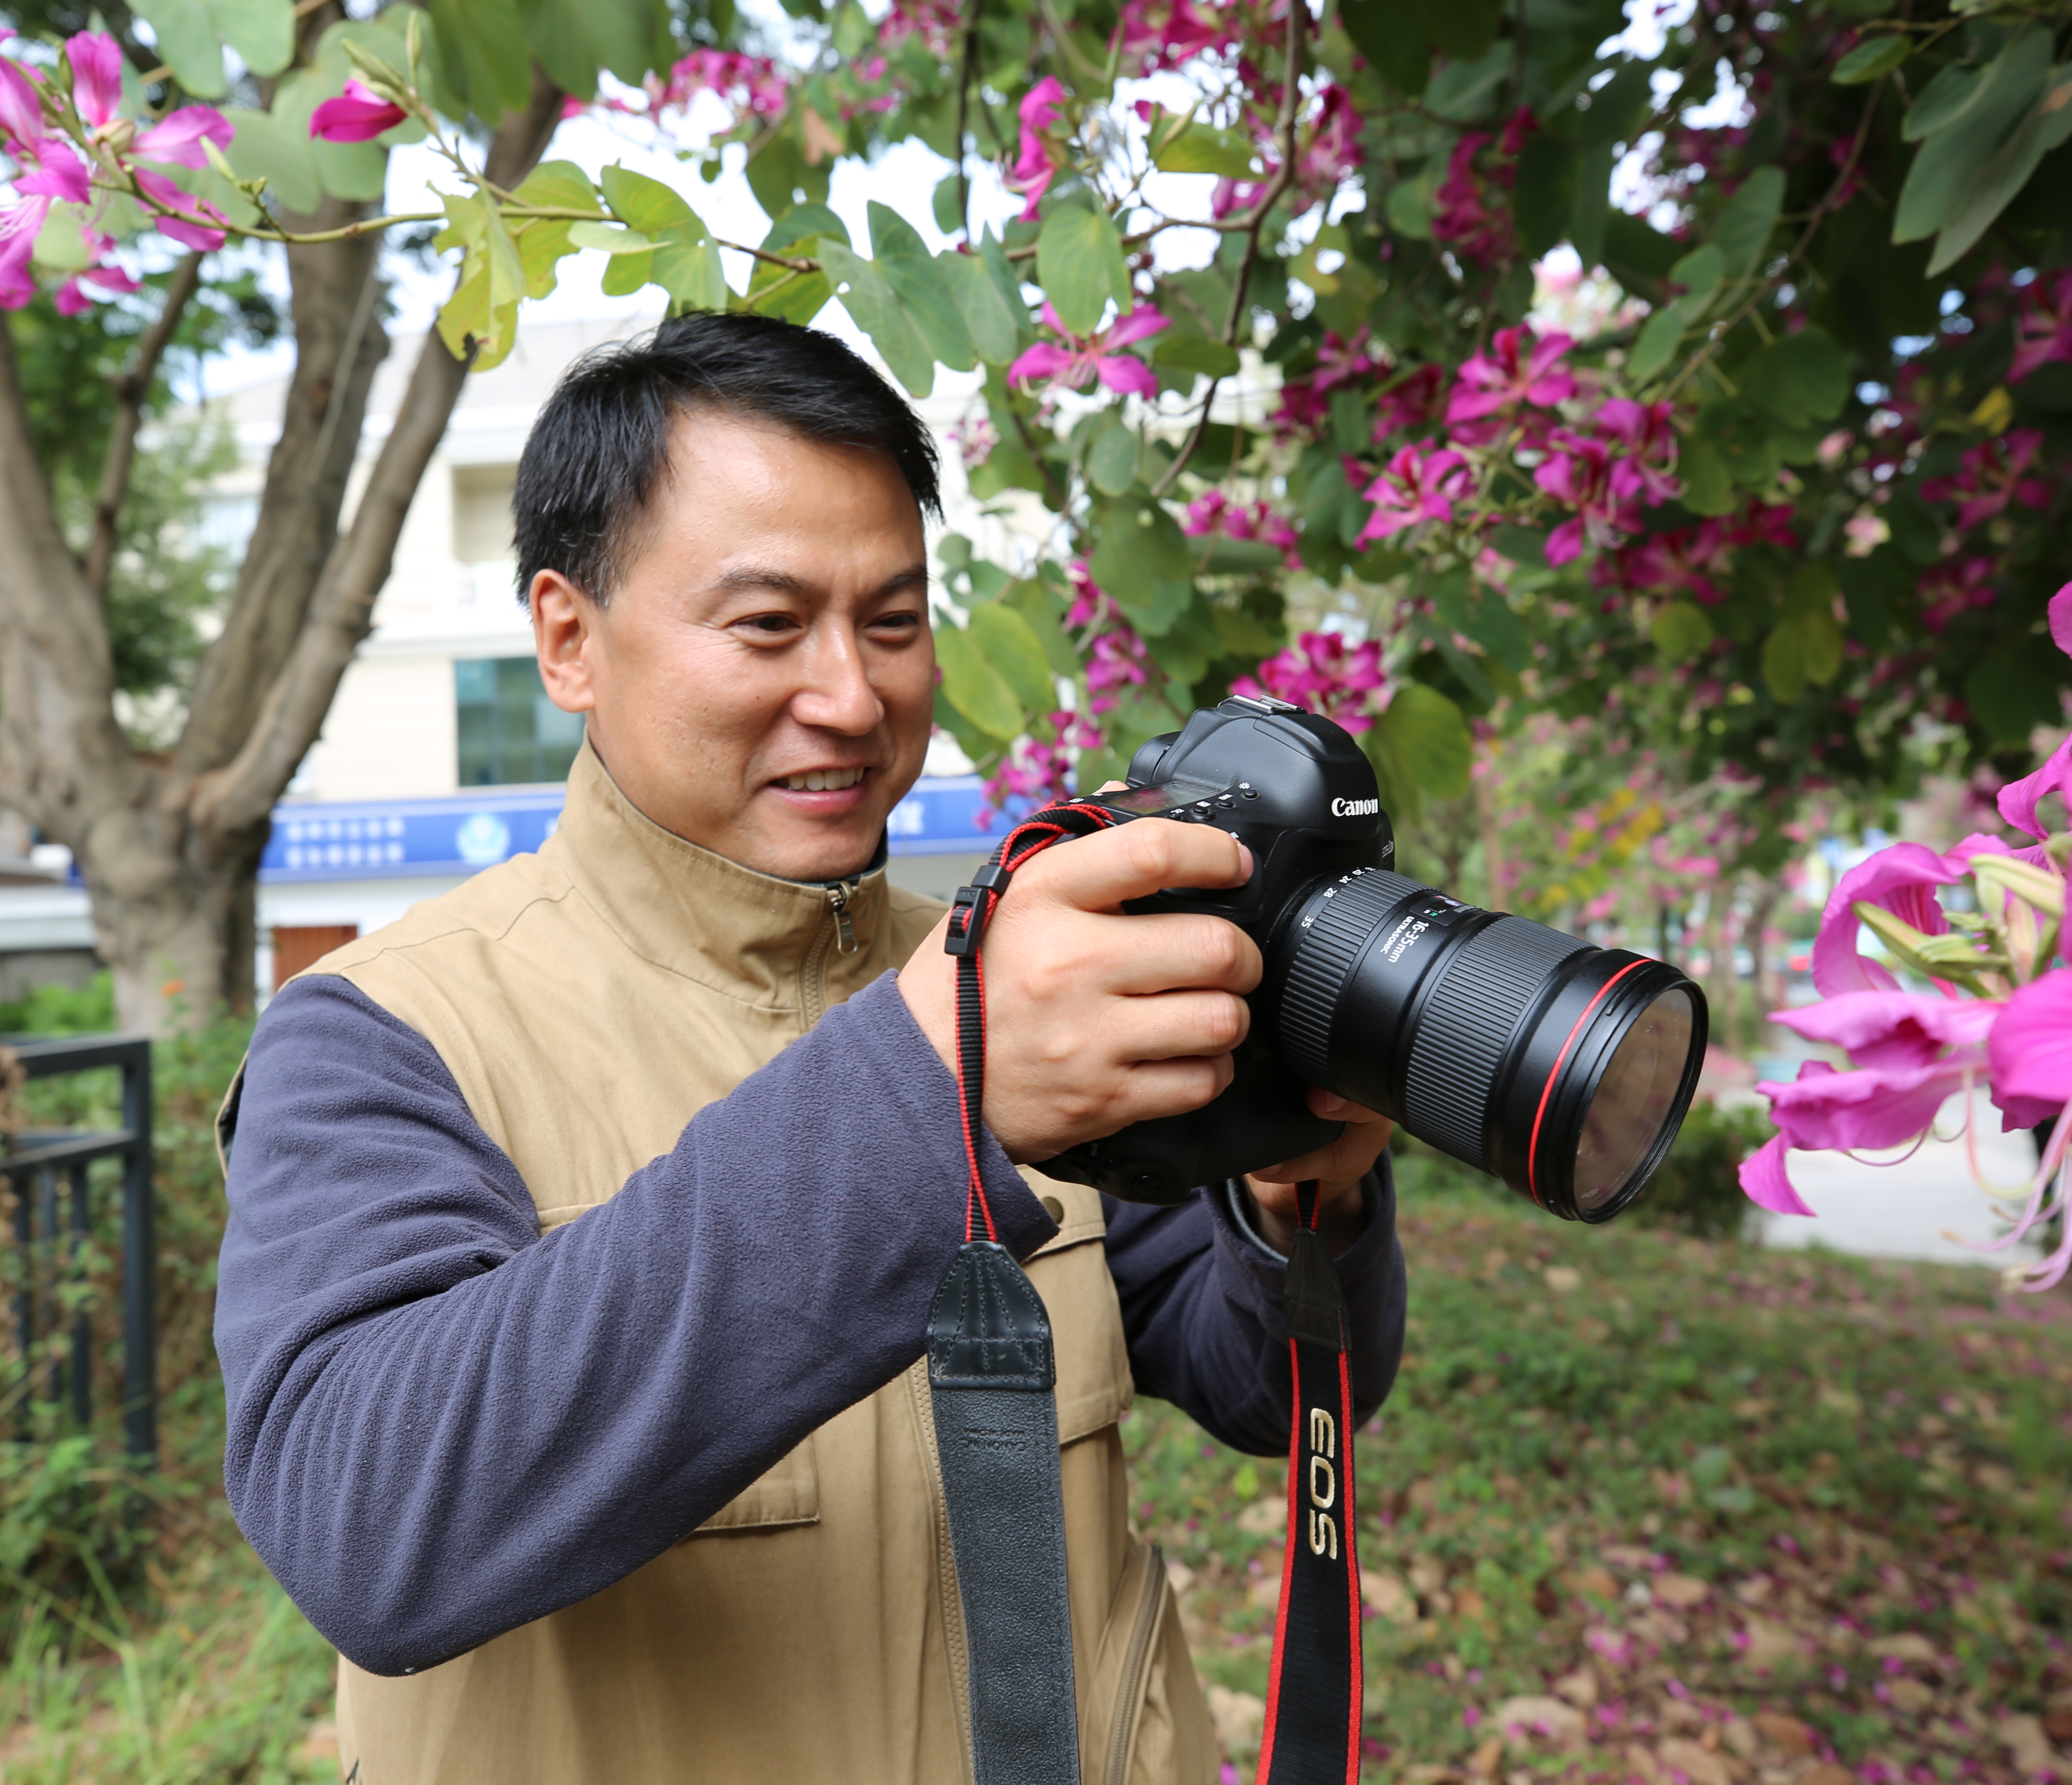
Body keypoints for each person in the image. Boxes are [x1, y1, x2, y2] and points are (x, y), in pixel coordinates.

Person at [212, 312, 1409, 1785]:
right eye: (769, 625)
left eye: (893, 623)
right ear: (568, 639)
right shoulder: (388, 1029)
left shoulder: (1026, 970)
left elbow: (1252, 1386)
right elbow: (371, 1530)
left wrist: (1304, 1208)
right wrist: (938, 1091)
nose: (851, 697)